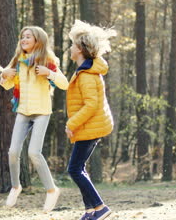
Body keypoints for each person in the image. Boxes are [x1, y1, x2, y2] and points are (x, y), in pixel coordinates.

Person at [0, 26, 69, 212]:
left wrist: (50, 73)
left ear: (38, 40)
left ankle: (52, 190)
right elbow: (6, 85)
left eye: (28, 36)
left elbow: (64, 84)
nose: (23, 39)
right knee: (13, 152)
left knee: (34, 153)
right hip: (23, 111)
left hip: (41, 112)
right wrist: (4, 76)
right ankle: (15, 187)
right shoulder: (18, 60)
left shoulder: (48, 60)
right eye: (22, 37)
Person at [65, 20, 116, 220]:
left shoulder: (86, 74)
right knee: (79, 168)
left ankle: (100, 207)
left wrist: (71, 123)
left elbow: (91, 105)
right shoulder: (85, 70)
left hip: (90, 126)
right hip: (90, 126)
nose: (70, 48)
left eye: (72, 45)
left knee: (74, 169)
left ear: (80, 49)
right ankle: (90, 211)